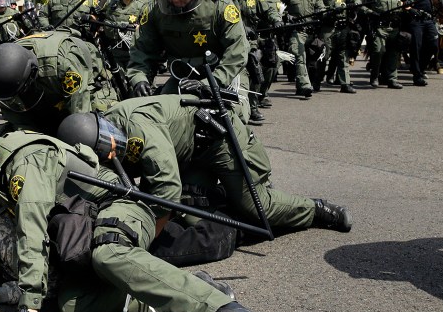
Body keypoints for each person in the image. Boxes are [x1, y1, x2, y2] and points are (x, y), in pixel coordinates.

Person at [0, 128, 269, 312]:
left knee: (108, 254)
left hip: (120, 206)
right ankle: (197, 288)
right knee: (70, 303)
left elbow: (31, 232)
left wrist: (26, 310)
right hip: (86, 219)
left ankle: (223, 311)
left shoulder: (22, 164)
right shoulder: (6, 160)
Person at [57, 101, 352, 235]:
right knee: (192, 219)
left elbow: (166, 191)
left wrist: (148, 240)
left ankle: (314, 209)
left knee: (256, 206)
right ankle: (229, 193)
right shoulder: (102, 133)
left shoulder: (136, 128)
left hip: (221, 141)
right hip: (190, 155)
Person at [127, 0, 250, 107]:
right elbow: (142, 50)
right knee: (159, 112)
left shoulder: (220, 4)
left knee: (232, 118)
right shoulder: (154, 10)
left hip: (227, 75)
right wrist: (140, 80)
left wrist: (211, 82)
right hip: (183, 78)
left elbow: (237, 51)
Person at [0, 29, 105, 136]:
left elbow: (79, 112)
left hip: (91, 83)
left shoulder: (64, 63)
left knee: (88, 130)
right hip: (43, 86)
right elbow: (17, 119)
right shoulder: (6, 73)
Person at [223, 0, 267, 123]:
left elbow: (267, 10)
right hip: (229, 44)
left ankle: (253, 108)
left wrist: (276, 20)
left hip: (250, 43)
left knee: (255, 71)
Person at [279, 0, 327, 98]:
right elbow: (277, 7)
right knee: (300, 56)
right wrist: (286, 16)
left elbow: (322, 8)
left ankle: (305, 84)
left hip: (312, 32)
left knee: (315, 59)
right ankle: (305, 86)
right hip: (297, 31)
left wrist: (322, 12)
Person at [360, 0, 411, 88]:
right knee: (378, 51)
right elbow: (360, 5)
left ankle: (392, 79)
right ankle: (375, 76)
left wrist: (408, 1)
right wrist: (371, 12)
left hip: (394, 26)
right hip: (379, 28)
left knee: (393, 53)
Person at [318, 0, 362, 93]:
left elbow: (357, 1)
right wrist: (330, 11)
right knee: (324, 55)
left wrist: (352, 5)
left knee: (343, 56)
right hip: (328, 28)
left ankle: (345, 83)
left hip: (343, 27)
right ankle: (317, 80)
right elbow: (318, 7)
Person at [400, 0, 441, 86]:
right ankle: (417, 75)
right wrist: (409, 9)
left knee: (434, 44)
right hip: (415, 20)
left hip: (428, 19)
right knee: (416, 47)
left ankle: (421, 68)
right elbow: (400, 0)